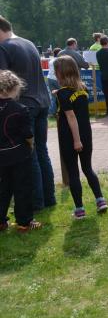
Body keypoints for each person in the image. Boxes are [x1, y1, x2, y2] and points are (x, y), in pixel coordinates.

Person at [0, 15, 56, 211]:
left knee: (28, 156)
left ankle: (35, 203)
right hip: (42, 102)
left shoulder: (4, 47)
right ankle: (48, 198)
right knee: (41, 152)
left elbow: (2, 81)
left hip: (23, 106)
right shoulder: (28, 43)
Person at [53, 56, 108, 219]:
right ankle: (100, 200)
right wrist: (58, 93)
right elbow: (72, 98)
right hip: (86, 134)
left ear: (61, 73)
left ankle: (79, 209)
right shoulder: (82, 89)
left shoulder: (63, 94)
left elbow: (71, 117)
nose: (54, 74)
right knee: (87, 168)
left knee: (73, 172)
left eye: (56, 71)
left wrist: (76, 140)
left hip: (70, 137)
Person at [0, 70, 42, 231]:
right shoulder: (20, 108)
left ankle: (1, 221)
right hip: (18, 154)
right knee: (22, 187)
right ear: (15, 88)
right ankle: (24, 222)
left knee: (3, 188)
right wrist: (31, 145)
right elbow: (28, 134)